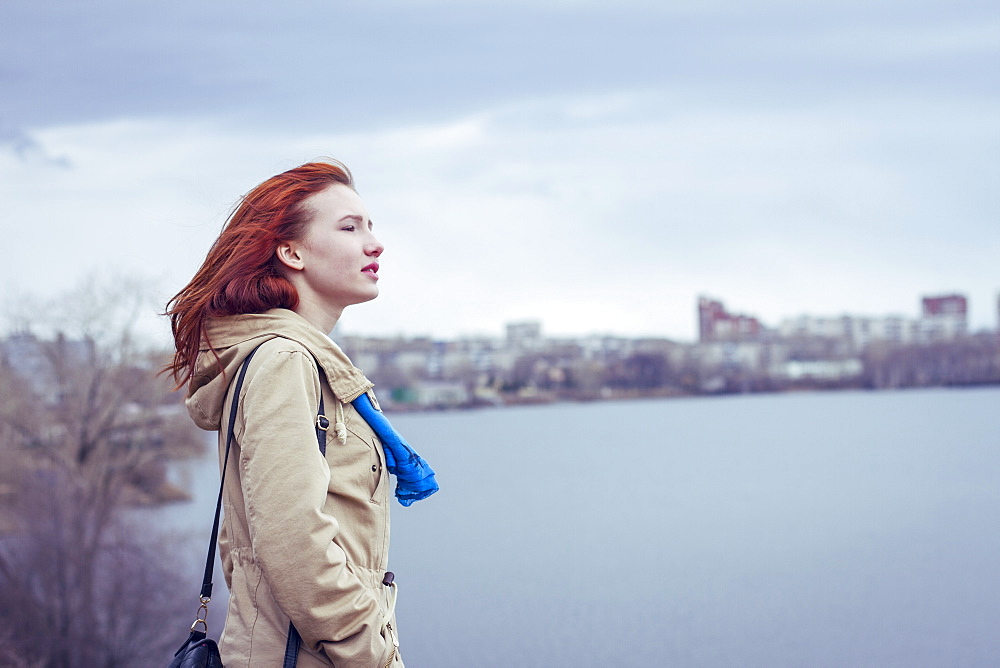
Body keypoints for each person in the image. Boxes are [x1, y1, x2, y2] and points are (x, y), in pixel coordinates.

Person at [166, 161, 437, 668]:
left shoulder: (297, 359)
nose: (374, 244)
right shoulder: (285, 362)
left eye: (370, 226)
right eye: (349, 227)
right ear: (291, 252)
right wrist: (370, 652)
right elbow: (292, 542)